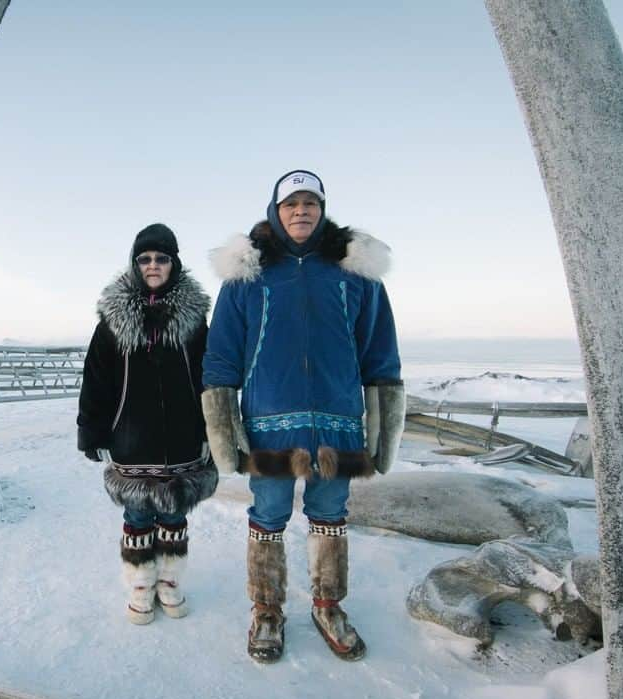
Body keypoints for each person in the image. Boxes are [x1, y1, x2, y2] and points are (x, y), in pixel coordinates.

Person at [201, 170, 405, 662]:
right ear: (276, 209)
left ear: (322, 209)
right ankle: (267, 609)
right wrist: (224, 427)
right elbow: (222, 354)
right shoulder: (248, 274)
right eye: (291, 203)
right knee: (268, 515)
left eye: (310, 202)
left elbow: (380, 350)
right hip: (271, 425)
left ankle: (327, 604)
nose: (301, 211)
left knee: (331, 516)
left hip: (339, 422)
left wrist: (382, 424)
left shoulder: (353, 273)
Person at [77, 223, 217, 625]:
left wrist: (213, 431)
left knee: (174, 515)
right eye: (145, 258)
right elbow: (96, 377)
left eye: (161, 258)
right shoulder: (112, 320)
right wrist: (93, 430)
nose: (153, 265)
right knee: (138, 516)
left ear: (174, 263)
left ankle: (170, 584)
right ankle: (140, 587)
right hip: (132, 439)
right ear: (135, 264)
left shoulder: (194, 319)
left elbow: (208, 376)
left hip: (183, 437)